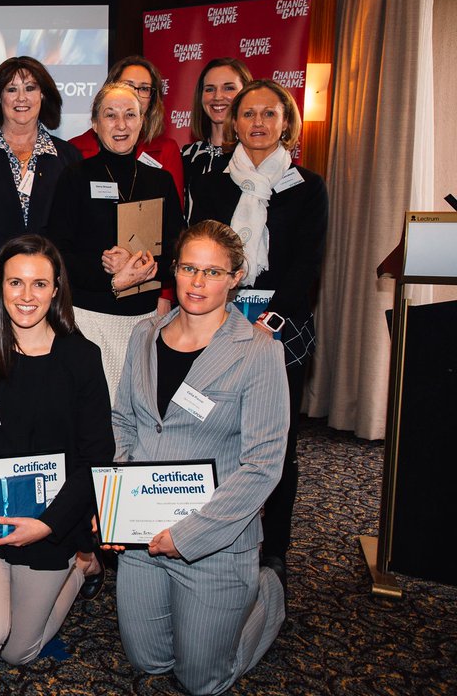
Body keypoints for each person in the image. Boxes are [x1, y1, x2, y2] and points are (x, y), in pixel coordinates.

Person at [110, 220, 287, 696]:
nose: (198, 282)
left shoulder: (259, 352)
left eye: (213, 272)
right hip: (142, 536)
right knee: (149, 661)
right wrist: (118, 507)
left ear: (235, 277)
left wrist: (188, 535)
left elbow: (264, 463)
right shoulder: (145, 335)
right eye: (189, 268)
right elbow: (124, 422)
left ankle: (266, 593)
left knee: (201, 682)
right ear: (175, 270)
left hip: (215, 540)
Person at [0, 235, 113, 665]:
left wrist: (49, 526)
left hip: (52, 524)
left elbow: (96, 456)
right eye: (15, 282)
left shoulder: (82, 358)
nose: (26, 295)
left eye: (40, 284)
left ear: (57, 289)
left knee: (19, 652)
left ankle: (81, 566)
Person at [186, 79, 327, 583]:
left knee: (275, 440)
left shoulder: (308, 187)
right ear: (234, 122)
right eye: (249, 114)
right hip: (215, 322)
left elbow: (306, 264)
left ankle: (275, 547)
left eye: (270, 114)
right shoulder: (211, 184)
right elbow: (199, 261)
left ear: (286, 122)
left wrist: (268, 323)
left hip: (280, 327)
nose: (259, 123)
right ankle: (207, 529)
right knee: (211, 428)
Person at [49, 82, 183, 405]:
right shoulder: (74, 177)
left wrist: (145, 266)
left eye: (130, 115)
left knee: (141, 411)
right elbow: (58, 253)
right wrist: (108, 272)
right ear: (95, 123)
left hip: (144, 322)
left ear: (142, 121)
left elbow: (179, 257)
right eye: (110, 115)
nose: (121, 125)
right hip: (88, 319)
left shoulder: (160, 180)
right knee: (95, 412)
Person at [0, 56, 82, 261]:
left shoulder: (68, 157)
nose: (21, 98)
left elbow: (76, 232)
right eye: (11, 89)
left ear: (42, 94)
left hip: (48, 280)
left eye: (30, 88)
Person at [70, 56, 185, 208]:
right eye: (127, 85)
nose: (135, 94)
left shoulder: (166, 150)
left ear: (152, 98)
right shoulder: (76, 148)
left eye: (144, 88)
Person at [181, 58, 253, 203]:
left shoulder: (255, 154)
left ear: (246, 93)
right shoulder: (189, 155)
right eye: (210, 89)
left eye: (228, 88)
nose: (217, 96)